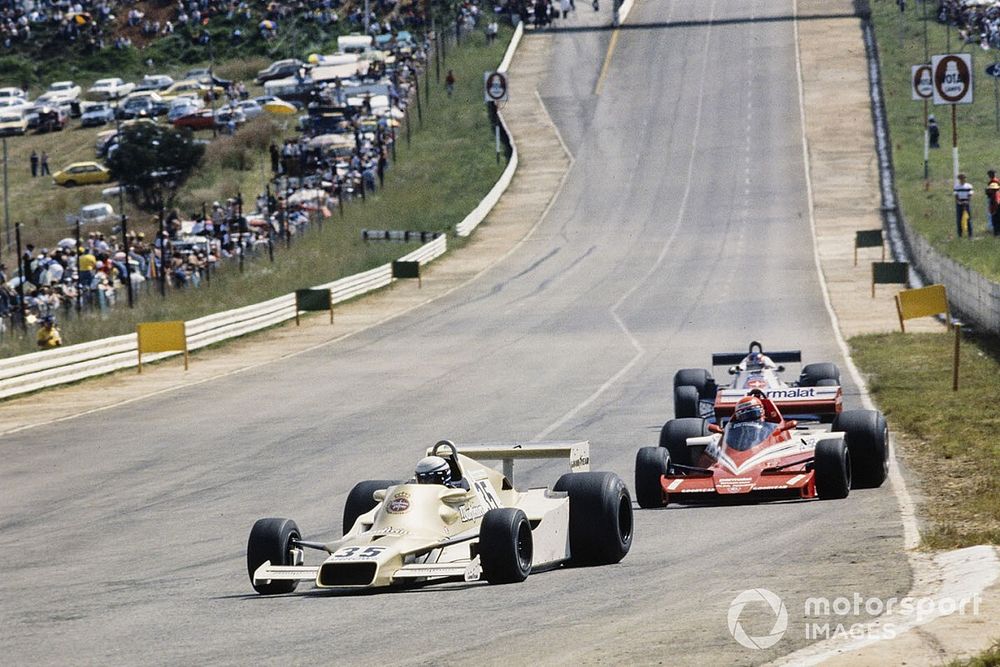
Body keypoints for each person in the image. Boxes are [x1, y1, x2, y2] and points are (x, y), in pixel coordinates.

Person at [954, 172, 974, 238]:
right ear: (959, 179)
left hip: (966, 203)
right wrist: (959, 202)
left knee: (968, 219)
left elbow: (970, 194)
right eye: (961, 178)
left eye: (964, 178)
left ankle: (970, 235)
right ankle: (960, 235)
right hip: (959, 204)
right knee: (959, 219)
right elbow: (956, 195)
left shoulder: (969, 186)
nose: (963, 179)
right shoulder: (956, 186)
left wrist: (967, 201)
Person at [987, 170, 1000, 236]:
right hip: (995, 202)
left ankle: (996, 233)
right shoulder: (996, 181)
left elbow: (993, 194)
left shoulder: (994, 181)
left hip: (995, 203)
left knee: (995, 219)